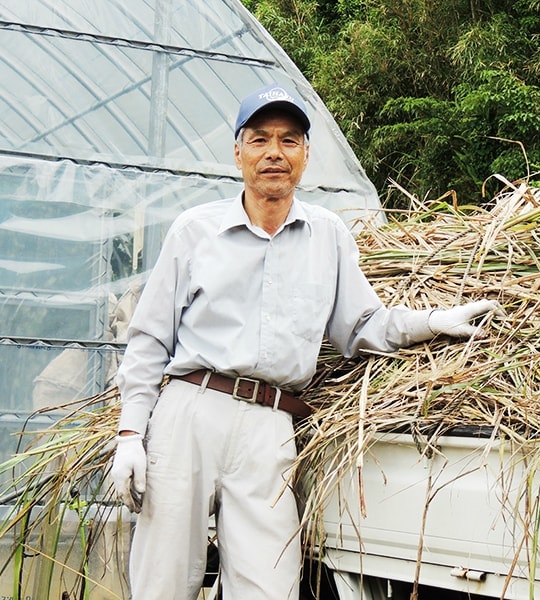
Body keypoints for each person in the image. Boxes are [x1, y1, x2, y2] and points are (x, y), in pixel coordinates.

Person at [109, 82, 499, 600]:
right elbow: (149, 340)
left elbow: (363, 327)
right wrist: (131, 434)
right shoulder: (194, 231)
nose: (275, 153)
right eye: (260, 139)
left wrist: (433, 322)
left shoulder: (328, 235)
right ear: (238, 151)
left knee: (270, 587)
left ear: (306, 155)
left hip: (270, 427)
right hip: (189, 416)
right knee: (162, 585)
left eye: (289, 140)